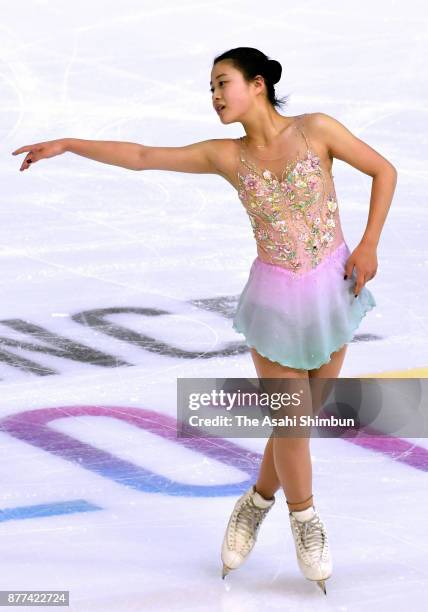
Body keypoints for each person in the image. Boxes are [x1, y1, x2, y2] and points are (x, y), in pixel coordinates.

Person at [12, 46, 397, 595]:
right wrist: (71, 143)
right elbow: (143, 155)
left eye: (223, 83)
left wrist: (369, 244)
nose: (215, 96)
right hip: (275, 301)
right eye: (211, 88)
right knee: (291, 421)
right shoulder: (226, 156)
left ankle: (256, 500)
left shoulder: (317, 129)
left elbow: (384, 170)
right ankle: (305, 519)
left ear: (257, 84)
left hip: (334, 288)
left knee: (300, 419)